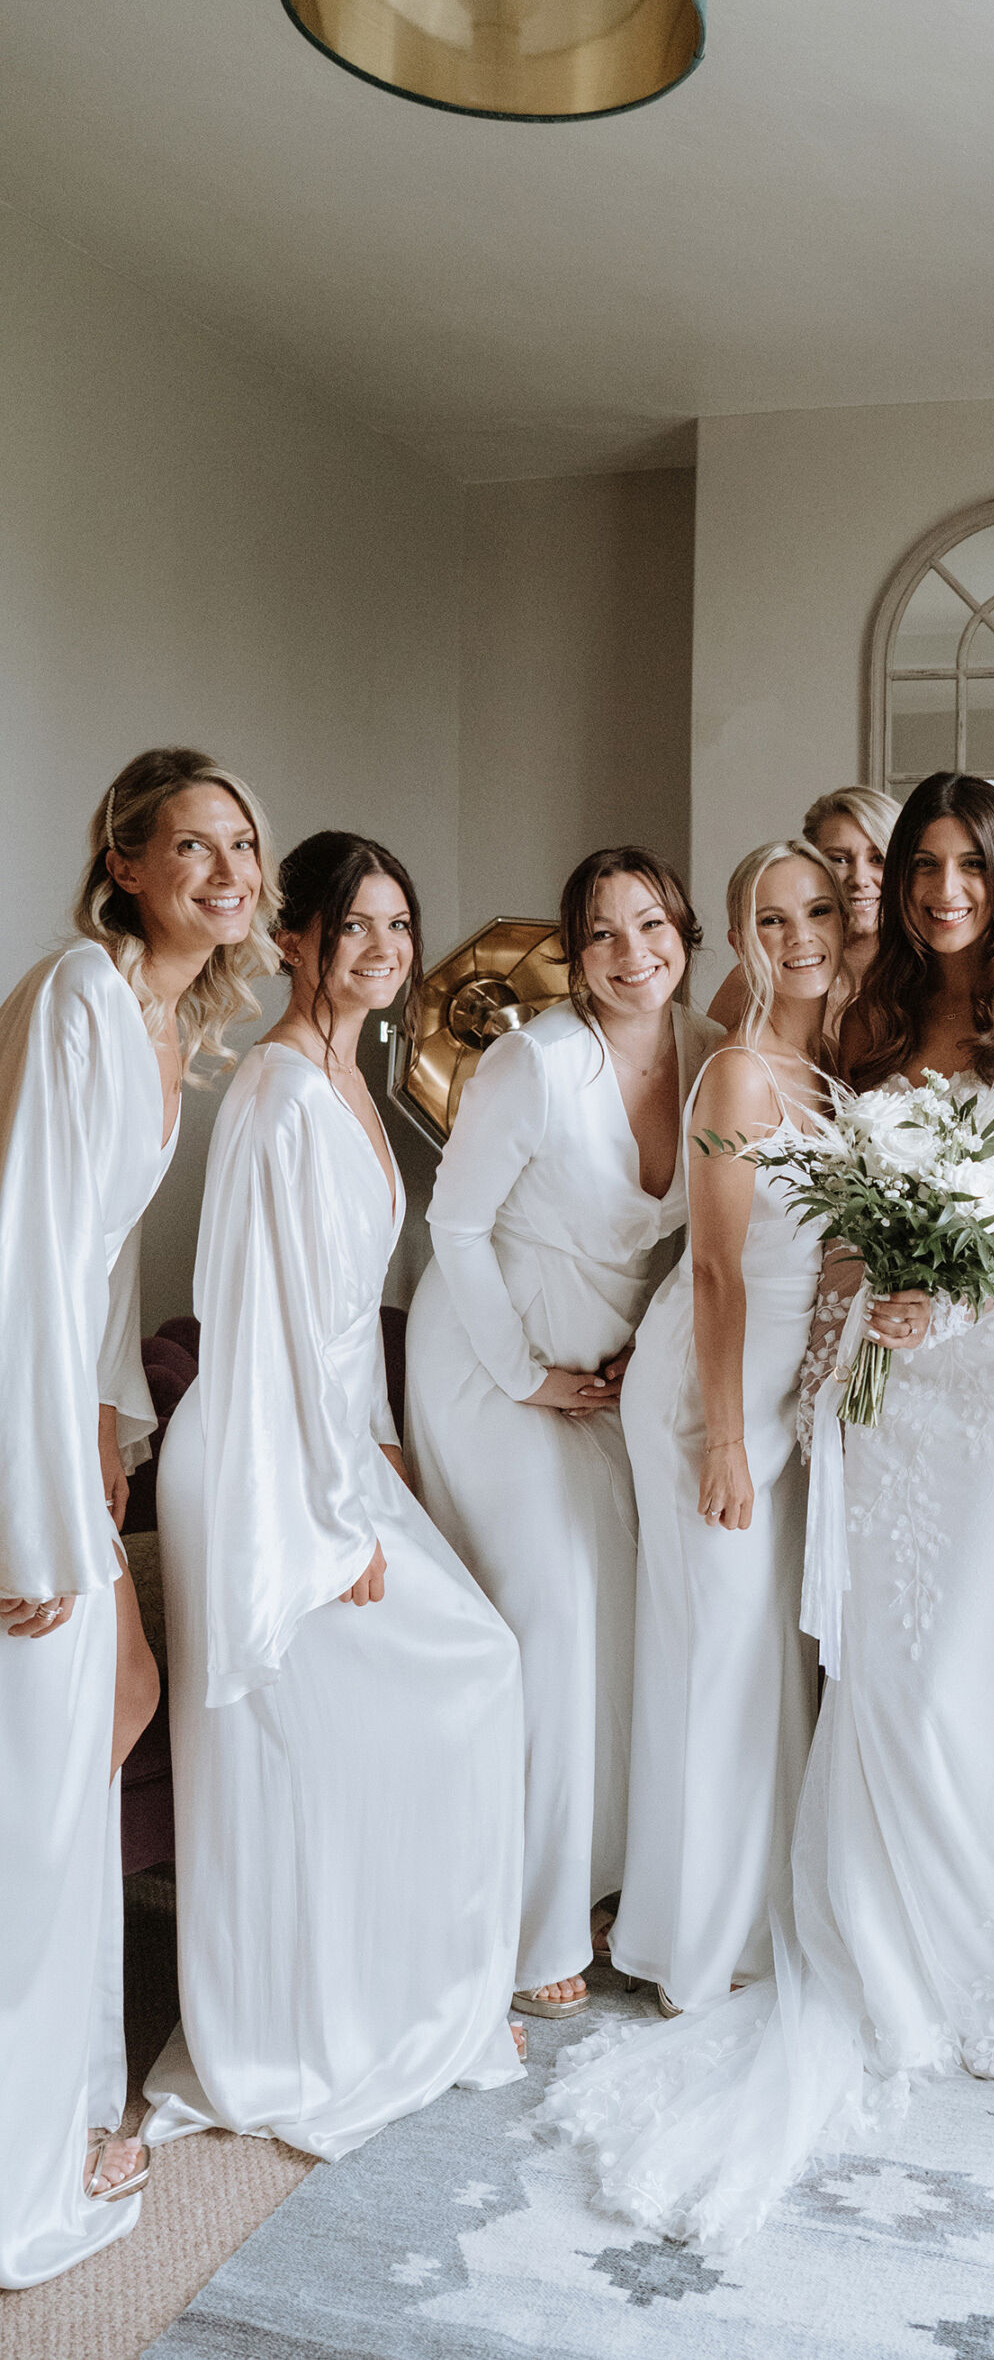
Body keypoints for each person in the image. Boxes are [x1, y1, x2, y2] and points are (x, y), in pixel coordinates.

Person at [545, 772, 994, 2245]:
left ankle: (985, 1950)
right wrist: (866, 1318)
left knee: (966, 1670)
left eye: (965, 865)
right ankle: (857, 1941)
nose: (939, 890)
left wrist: (950, 1294)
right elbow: (798, 1228)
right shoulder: (860, 1020)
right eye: (918, 866)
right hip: (878, 1391)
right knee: (877, 1670)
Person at [143, 833, 526, 2162]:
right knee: (443, 1684)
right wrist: (328, 1517)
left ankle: (392, 1990)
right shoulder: (275, 1091)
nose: (379, 950)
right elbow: (257, 1326)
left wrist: (376, 1446)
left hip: (328, 1445)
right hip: (261, 1466)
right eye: (352, 926)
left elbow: (342, 1324)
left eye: (398, 926)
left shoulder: (349, 1076)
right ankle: (313, 2026)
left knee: (443, 1688)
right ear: (295, 938)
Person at [0, 747, 273, 2283]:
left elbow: (101, 1279)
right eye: (193, 845)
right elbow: (24, 1260)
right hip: (3, 1442)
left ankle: (56, 2102)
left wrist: (114, 1443)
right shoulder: (79, 998)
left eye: (242, 844)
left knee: (106, 1724)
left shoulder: (168, 1017)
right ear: (124, 863)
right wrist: (39, 1522)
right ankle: (25, 2150)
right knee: (39, 1791)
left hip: (60, 1431)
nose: (228, 871)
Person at [408, 847, 719, 2020]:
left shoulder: (708, 1063)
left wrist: (656, 1339)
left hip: (607, 1371)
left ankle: (603, 1885)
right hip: (493, 1361)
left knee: (631, 1605)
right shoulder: (534, 1063)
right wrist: (522, 1372)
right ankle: (528, 1922)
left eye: (651, 926)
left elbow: (698, 1235)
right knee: (553, 1605)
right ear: (573, 954)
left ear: (685, 933)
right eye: (600, 933)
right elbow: (456, 1222)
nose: (630, 954)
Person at [606, 841, 843, 2016]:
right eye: (771, 915)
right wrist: (728, 1443)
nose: (799, 935)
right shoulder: (742, 1074)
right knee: (714, 1656)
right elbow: (713, 1268)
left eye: (819, 912)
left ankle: (748, 1910)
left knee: (752, 1658)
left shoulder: (824, 1065)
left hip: (777, 1393)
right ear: (742, 933)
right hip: (709, 1391)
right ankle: (687, 1946)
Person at [706, 787, 898, 1042]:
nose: (860, 879)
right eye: (839, 859)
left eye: (879, 859)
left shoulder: (931, 978)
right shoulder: (750, 985)